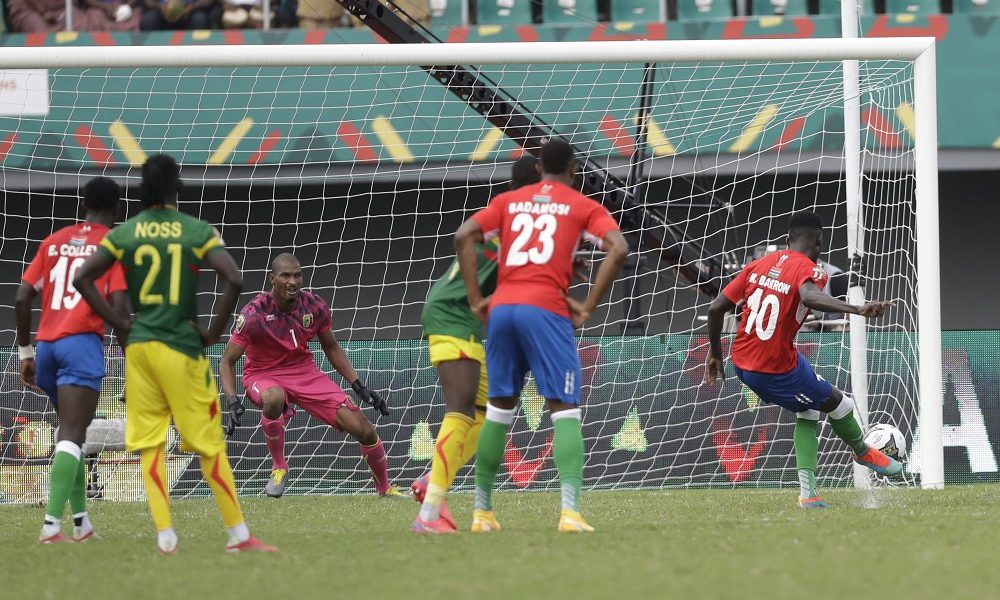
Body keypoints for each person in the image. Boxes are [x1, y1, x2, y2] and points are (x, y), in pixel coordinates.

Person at [73, 154, 275, 554]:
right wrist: (214, 332)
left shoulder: (125, 233)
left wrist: (120, 322)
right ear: (175, 187)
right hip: (181, 346)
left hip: (141, 349)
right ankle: (238, 535)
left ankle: (166, 536)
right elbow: (233, 277)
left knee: (151, 445)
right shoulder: (196, 229)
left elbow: (83, 278)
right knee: (208, 442)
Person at [454, 139, 629, 533]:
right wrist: (586, 306)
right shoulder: (582, 205)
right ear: (575, 170)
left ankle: (482, 513)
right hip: (546, 310)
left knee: (498, 410)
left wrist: (477, 299)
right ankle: (569, 513)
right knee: (564, 409)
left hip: (502, 309)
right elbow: (618, 248)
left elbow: (463, 237)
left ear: (537, 170)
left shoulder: (509, 201)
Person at [703, 210, 902, 508]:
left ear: (787, 239)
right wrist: (857, 309)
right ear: (819, 243)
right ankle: (862, 451)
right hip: (774, 368)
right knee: (840, 404)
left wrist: (715, 353)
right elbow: (809, 297)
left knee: (809, 409)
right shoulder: (811, 270)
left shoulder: (757, 265)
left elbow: (717, 308)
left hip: (742, 359)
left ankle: (809, 496)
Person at [411, 155, 541, 534]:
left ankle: (429, 480)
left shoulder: (516, 220)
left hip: (468, 321)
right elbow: (463, 241)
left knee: (491, 412)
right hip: (451, 313)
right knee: (461, 408)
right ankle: (429, 516)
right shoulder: (510, 217)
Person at [218, 253, 398, 499]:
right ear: (272, 279)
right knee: (273, 398)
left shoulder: (314, 306)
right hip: (263, 374)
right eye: (285, 275)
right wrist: (232, 400)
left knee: (364, 429)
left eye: (297, 275)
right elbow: (227, 361)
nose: (292, 281)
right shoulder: (254, 313)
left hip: (305, 373)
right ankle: (279, 467)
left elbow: (331, 347)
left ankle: (385, 489)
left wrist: (358, 385)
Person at [15, 176, 129, 544]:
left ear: (84, 204)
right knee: (72, 433)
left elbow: (20, 298)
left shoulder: (54, 241)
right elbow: (118, 310)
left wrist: (25, 353)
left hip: (46, 346)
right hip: (80, 344)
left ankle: (81, 523)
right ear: (118, 209)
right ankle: (51, 526)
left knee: (71, 434)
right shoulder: (112, 246)